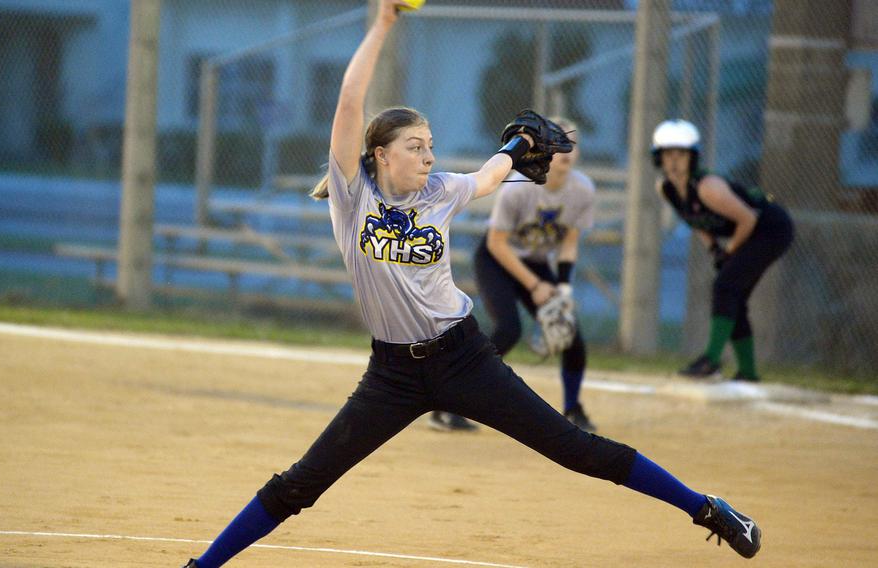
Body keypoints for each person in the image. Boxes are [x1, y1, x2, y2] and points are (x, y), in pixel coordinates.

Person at [181, 4, 761, 565]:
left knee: (574, 449)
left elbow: (489, 175)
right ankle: (202, 567)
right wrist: (383, 20)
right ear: (380, 155)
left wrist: (514, 149)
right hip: (392, 376)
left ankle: (705, 508)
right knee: (301, 484)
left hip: (464, 357)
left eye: (431, 146)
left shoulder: (441, 192)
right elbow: (350, 100)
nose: (428, 156)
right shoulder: (354, 193)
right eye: (415, 147)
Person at [472, 118, 597, 431]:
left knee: (570, 336)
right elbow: (496, 244)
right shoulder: (519, 186)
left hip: (538, 263)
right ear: (544, 150)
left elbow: (569, 244)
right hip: (497, 260)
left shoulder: (582, 190)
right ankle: (453, 400)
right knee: (508, 329)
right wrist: (535, 285)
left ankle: (573, 408)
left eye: (571, 144)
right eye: (557, 142)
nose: (566, 151)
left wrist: (564, 290)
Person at [651, 119, 794, 381]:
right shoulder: (666, 189)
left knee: (725, 287)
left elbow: (748, 219)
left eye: (680, 154)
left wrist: (729, 253)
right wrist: (714, 249)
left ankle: (711, 361)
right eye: (667, 154)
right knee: (733, 296)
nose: (673, 161)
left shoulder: (708, 187)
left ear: (692, 157)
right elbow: (694, 219)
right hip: (749, 231)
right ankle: (748, 373)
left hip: (771, 228)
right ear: (657, 157)